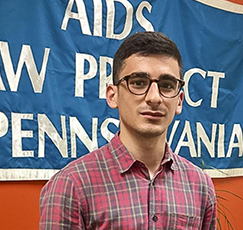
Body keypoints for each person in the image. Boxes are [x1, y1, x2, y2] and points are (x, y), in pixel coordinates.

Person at [39, 31, 217, 229]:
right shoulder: (71, 186)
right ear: (112, 95)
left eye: (167, 85)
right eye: (138, 83)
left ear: (179, 101)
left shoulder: (200, 186)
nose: (154, 98)